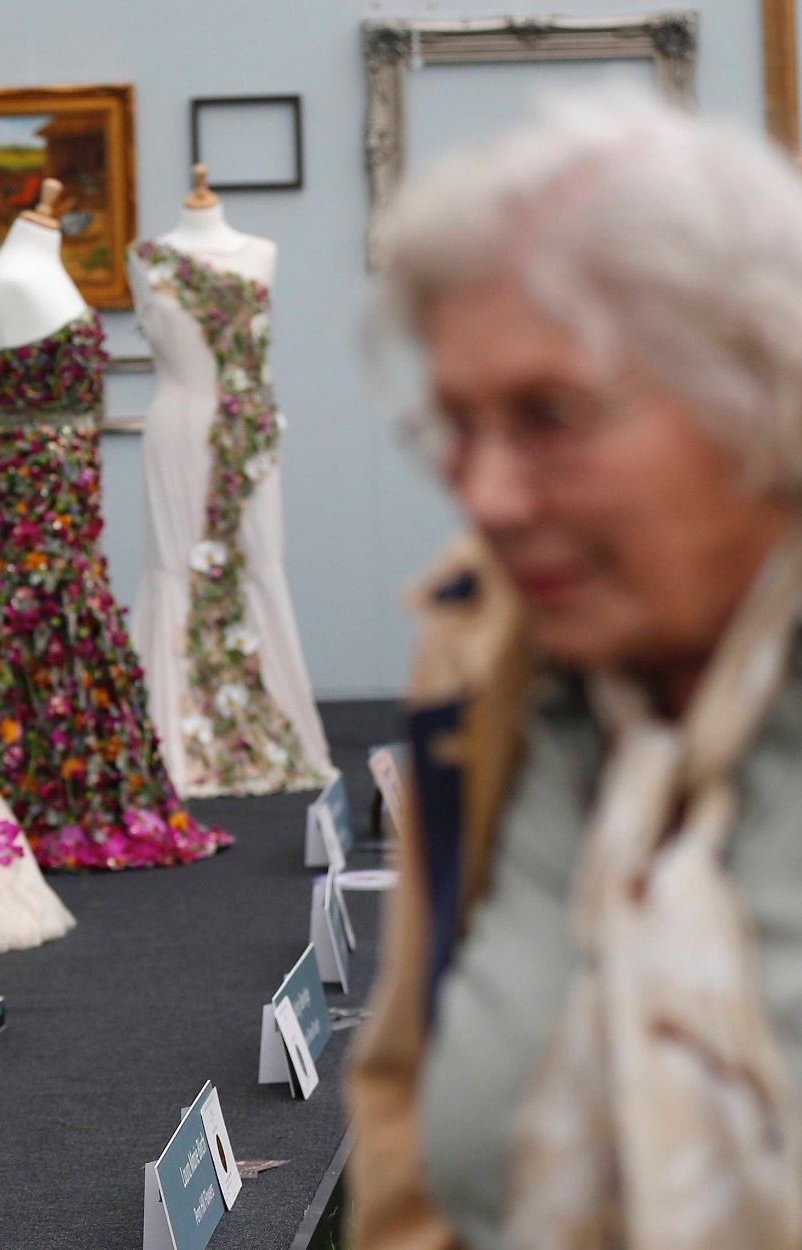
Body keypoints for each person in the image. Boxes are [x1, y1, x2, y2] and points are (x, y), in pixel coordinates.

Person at [349, 87, 802, 1250]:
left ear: (757, 393)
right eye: (455, 425)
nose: (485, 495)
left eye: (550, 415)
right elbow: (411, 1114)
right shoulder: (494, 652)